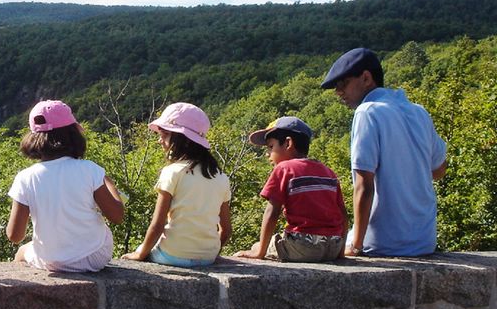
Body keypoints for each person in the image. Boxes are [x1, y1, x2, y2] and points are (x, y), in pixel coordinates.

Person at [321, 47, 447, 256]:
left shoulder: (367, 111)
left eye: (342, 83)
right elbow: (440, 169)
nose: (338, 92)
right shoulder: (418, 111)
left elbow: (364, 185)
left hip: (383, 242)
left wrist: (356, 245)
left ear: (366, 78)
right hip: (424, 241)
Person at [6, 100, 124, 272]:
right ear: (73, 134)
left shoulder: (25, 178)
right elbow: (117, 216)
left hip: (50, 261)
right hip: (95, 256)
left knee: (22, 251)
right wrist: (110, 185)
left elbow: (15, 235)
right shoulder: (90, 169)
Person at [122, 102, 232, 267]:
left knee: (142, 250)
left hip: (172, 255)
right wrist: (211, 252)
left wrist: (140, 253)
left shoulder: (172, 172)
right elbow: (226, 230)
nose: (160, 140)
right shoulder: (221, 177)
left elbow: (157, 225)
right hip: (208, 256)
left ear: (182, 139)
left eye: (165, 135)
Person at [233, 117, 347, 262]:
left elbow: (272, 212)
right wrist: (340, 253)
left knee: (257, 246)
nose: (267, 154)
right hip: (333, 246)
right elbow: (343, 214)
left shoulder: (284, 169)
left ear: (288, 143)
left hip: (303, 246)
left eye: (270, 147)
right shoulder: (328, 172)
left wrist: (260, 252)